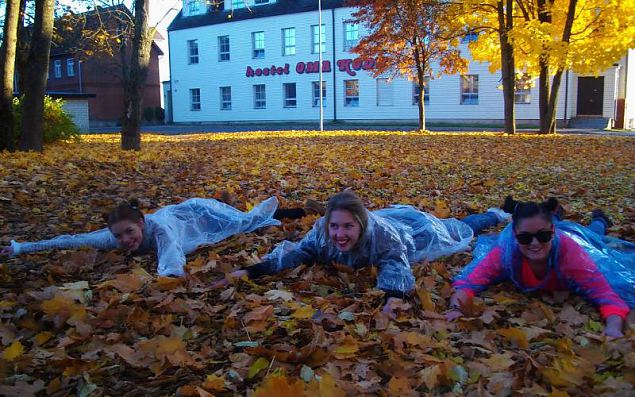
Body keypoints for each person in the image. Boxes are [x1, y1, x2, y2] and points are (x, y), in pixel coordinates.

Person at [213, 190, 509, 317]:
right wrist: (252, 271)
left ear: (361, 224)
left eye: (348, 227)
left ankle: (495, 214)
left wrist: (393, 298)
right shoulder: (323, 233)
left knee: (457, 229)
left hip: (416, 233)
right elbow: (297, 253)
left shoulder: (380, 237)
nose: (340, 235)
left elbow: (395, 264)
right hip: (394, 222)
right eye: (335, 227)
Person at [448, 197, 633, 338]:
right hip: (550, 227)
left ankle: (599, 220)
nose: (535, 244)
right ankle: (554, 213)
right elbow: (469, 283)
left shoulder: (572, 256)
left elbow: (607, 297)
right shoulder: (505, 254)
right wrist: (456, 309)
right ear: (514, 235)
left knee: (594, 239)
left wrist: (613, 329)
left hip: (576, 240)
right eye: (525, 238)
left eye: (543, 236)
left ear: (552, 232)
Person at [1, 197, 281, 277]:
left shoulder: (159, 229)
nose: (124, 240)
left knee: (240, 223)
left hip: (194, 213)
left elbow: (171, 250)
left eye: (129, 232)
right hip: (179, 219)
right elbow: (73, 240)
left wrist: (170, 276)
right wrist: (21, 248)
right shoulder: (113, 238)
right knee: (238, 225)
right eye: (119, 235)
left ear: (142, 224)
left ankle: (271, 212)